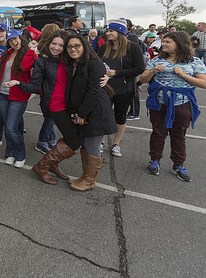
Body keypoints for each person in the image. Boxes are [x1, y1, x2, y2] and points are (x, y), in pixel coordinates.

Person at [6, 31, 75, 184]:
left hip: (69, 104)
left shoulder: (70, 60)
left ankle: (51, 164)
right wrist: (19, 83)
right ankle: (43, 166)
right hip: (53, 104)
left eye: (60, 45)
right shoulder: (42, 61)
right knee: (72, 138)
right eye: (53, 44)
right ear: (48, 43)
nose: (56, 48)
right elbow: (36, 85)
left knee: (69, 137)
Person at [140, 31, 206, 182]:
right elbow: (143, 79)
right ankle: (154, 161)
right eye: (163, 41)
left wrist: (184, 75)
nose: (163, 44)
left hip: (182, 103)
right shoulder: (156, 60)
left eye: (167, 42)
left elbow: (204, 83)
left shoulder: (194, 61)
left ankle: (178, 165)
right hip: (159, 103)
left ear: (180, 43)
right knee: (158, 133)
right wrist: (152, 72)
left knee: (179, 135)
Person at [55, 35, 116, 191]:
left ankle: (89, 181)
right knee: (86, 143)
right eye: (69, 47)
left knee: (92, 145)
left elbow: (94, 91)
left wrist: (82, 113)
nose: (73, 49)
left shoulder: (94, 63)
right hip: (84, 111)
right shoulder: (74, 63)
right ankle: (85, 177)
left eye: (77, 46)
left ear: (84, 46)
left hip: (95, 111)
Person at [98, 19, 145, 157]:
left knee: (120, 116)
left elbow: (140, 68)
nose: (108, 33)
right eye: (107, 31)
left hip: (125, 88)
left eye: (111, 31)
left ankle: (116, 144)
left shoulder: (133, 47)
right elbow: (97, 63)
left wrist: (116, 73)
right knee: (103, 114)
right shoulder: (104, 47)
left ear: (120, 32)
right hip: (105, 87)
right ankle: (101, 141)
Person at [0, 30, 36, 167]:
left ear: (21, 38)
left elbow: (25, 66)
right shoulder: (7, 53)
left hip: (18, 95)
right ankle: (10, 152)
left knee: (11, 127)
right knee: (10, 126)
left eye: (15, 39)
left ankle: (20, 154)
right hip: (2, 94)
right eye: (10, 41)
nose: (13, 42)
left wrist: (30, 50)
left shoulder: (29, 53)